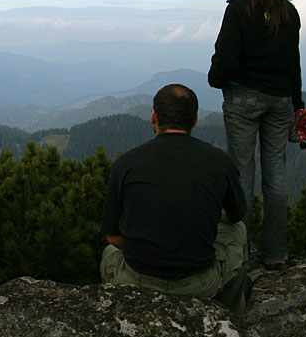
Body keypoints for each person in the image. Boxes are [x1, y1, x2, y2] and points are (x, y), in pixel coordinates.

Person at [99, 84, 249, 314]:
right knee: (238, 231)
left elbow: (112, 236)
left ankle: (119, 315)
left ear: (154, 116)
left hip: (136, 280)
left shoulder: (126, 163)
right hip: (200, 283)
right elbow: (236, 215)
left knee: (109, 253)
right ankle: (231, 316)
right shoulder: (220, 161)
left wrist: (149, 248)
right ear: (195, 119)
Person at [208, 0, 302, 270]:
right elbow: (293, 63)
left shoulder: (238, 10)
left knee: (241, 176)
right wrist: (297, 104)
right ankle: (276, 254)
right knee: (276, 177)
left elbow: (226, 57)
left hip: (244, 99)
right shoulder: (288, 12)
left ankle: (241, 256)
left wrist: (216, 79)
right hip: (280, 100)